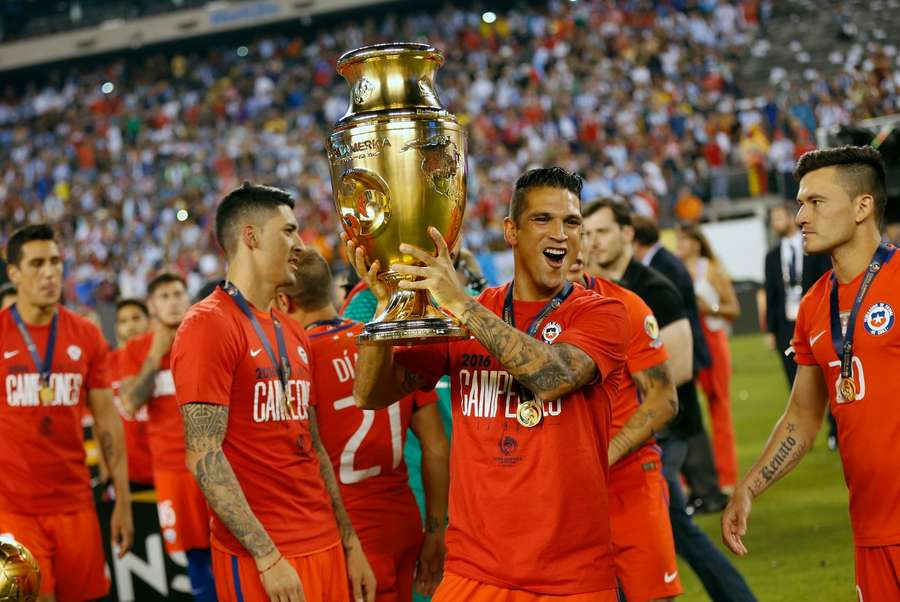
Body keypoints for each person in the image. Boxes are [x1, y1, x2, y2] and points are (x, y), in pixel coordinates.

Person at [350, 167, 630, 601]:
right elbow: (371, 393)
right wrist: (384, 309)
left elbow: (552, 377)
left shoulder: (602, 314)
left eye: (571, 222)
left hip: (570, 579)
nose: (561, 233)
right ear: (511, 231)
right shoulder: (470, 314)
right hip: (474, 574)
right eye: (543, 219)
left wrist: (461, 304)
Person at [170, 183, 375, 602]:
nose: (300, 244)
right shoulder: (208, 324)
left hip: (324, 542)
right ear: (251, 237)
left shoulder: (292, 329)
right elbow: (203, 455)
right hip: (264, 557)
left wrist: (350, 543)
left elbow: (314, 446)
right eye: (289, 231)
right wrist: (266, 556)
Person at [723, 146, 899, 599]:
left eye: (816, 202)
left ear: (863, 207)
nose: (801, 216)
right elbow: (802, 417)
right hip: (872, 530)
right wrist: (749, 488)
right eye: (801, 203)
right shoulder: (815, 304)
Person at [583, 200, 756, 602]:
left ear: (628, 234)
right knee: (661, 531)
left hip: (663, 432)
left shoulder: (653, 287)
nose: (593, 242)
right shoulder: (594, 291)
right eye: (588, 233)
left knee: (672, 529)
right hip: (631, 433)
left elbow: (676, 370)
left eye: (602, 232)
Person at [277, 248, 451, 602]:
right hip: (402, 521)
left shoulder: (298, 360)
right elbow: (436, 445)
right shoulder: (383, 341)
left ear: (283, 301)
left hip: (346, 536)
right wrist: (436, 529)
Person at [0, 224, 133, 600]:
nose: (50, 272)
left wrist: (122, 502)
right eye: (37, 263)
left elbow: (108, 421)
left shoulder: (86, 335)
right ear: (14, 274)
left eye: (56, 262)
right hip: (13, 510)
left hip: (76, 505)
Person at [567, 255, 683, 602]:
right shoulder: (517, 314)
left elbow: (665, 400)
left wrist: (605, 455)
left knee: (654, 596)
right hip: (561, 492)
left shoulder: (625, 306)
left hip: (627, 478)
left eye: (574, 228)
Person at [120, 272, 215, 601]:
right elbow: (130, 403)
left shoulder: (205, 336)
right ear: (152, 305)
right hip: (173, 470)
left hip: (219, 463)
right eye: (164, 296)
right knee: (198, 561)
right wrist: (153, 355)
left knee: (236, 549)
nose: (173, 301)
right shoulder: (136, 350)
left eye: (178, 293)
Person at [632, 214, 728, 512]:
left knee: (687, 421)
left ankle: (707, 490)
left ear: (634, 239)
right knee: (686, 419)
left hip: (682, 352)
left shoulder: (663, 266)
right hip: (683, 349)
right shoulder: (665, 262)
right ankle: (703, 490)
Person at [676, 224, 741, 494]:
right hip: (686, 341)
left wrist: (709, 307)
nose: (678, 244)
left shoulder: (711, 270)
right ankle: (686, 480)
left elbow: (733, 308)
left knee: (719, 407)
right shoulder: (676, 269)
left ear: (696, 242)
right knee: (683, 409)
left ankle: (726, 477)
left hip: (711, 340)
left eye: (683, 239)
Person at [763, 203, 832, 385]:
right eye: (773, 220)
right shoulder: (771, 256)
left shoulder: (815, 247)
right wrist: (770, 330)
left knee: (828, 375)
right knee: (794, 379)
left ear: (792, 217)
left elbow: (826, 281)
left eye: (778, 218)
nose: (775, 223)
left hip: (816, 320)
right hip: (786, 326)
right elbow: (771, 293)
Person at [111, 298, 154, 489]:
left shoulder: (168, 357)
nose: (130, 326)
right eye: (123, 321)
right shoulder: (106, 365)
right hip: (128, 475)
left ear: (149, 320)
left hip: (168, 467)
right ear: (117, 328)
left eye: (136, 318)